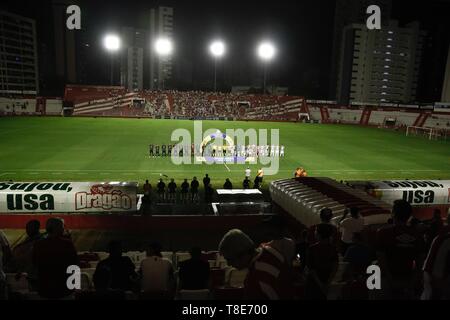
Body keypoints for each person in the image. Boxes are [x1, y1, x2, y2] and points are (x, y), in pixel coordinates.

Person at [218, 229, 294, 299]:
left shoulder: (255, 278)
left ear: (243, 255)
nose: (228, 264)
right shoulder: (268, 248)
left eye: (230, 259)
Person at [376, 199, 425, 299]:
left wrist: (390, 281)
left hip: (387, 281)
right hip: (407, 280)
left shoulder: (383, 233)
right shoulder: (417, 235)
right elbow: (420, 263)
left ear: (393, 214)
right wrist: (411, 283)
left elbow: (381, 260)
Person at [32, 218, 79, 299]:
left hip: (45, 289)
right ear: (57, 228)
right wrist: (75, 286)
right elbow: (74, 265)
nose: (64, 228)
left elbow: (34, 264)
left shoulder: (38, 244)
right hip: (64, 289)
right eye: (62, 226)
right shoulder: (67, 244)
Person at [305, 224, 339, 300]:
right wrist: (328, 282)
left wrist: (320, 284)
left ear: (319, 234)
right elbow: (335, 266)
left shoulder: (312, 249)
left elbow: (311, 269)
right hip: (326, 279)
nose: (314, 232)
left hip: (313, 282)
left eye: (316, 231)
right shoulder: (333, 248)